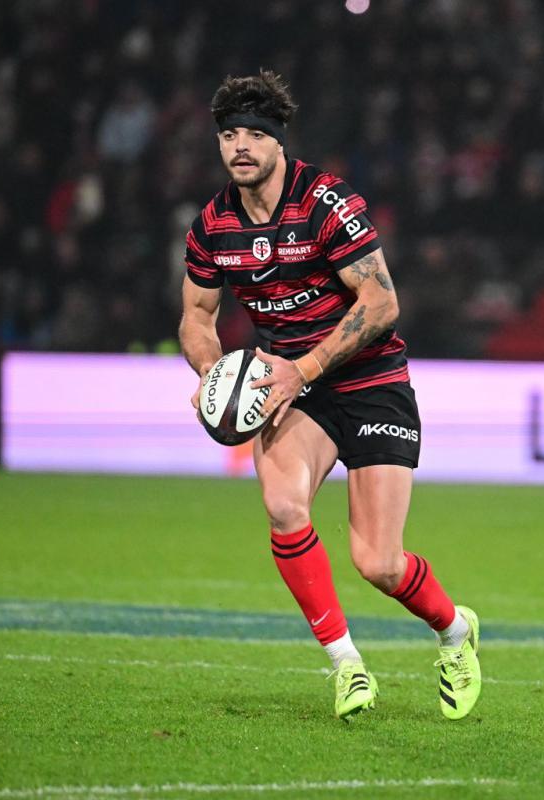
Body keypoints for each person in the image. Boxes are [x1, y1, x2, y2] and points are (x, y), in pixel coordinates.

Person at [178, 71, 481, 720]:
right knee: (283, 504)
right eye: (229, 135)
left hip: (368, 381)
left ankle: (455, 631)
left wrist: (302, 369)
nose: (240, 147)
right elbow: (195, 317)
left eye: (255, 135)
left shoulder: (324, 203)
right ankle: (347, 666)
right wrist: (211, 373)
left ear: (279, 143)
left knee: (378, 562)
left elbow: (383, 303)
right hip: (295, 391)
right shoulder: (210, 226)